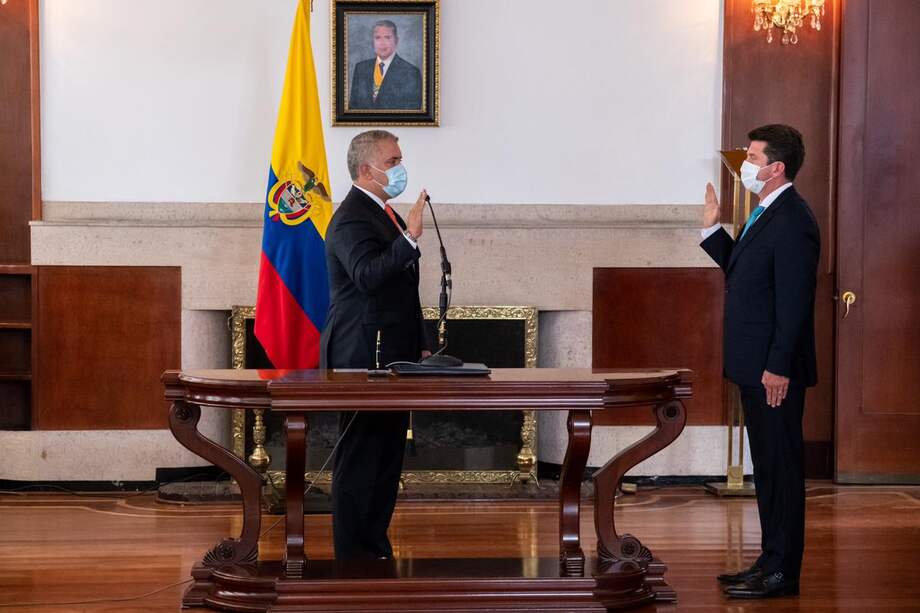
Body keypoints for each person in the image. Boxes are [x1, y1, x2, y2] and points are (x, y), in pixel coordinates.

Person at [700, 124, 820, 599]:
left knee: (783, 471)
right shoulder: (766, 211)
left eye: (751, 157)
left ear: (776, 168)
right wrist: (712, 228)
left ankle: (782, 574)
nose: (743, 165)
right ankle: (769, 561)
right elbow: (743, 273)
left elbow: (793, 302)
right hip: (755, 365)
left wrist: (779, 366)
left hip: (774, 372)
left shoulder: (793, 218)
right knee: (767, 470)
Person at [320, 129, 430, 559]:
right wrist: (409, 239)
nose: (400, 169)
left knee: (387, 458)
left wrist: (421, 342)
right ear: (366, 170)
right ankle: (351, 554)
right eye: (392, 162)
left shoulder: (385, 213)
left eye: (400, 160)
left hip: (394, 352)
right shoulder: (350, 217)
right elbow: (366, 276)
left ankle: (374, 545)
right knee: (361, 456)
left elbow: (402, 289)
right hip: (361, 352)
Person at [349, 20, 422, 110]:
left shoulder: (411, 72)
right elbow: (353, 107)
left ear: (396, 40)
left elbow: (412, 112)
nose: (382, 43)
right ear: (373, 41)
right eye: (377, 37)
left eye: (387, 37)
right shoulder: (360, 68)